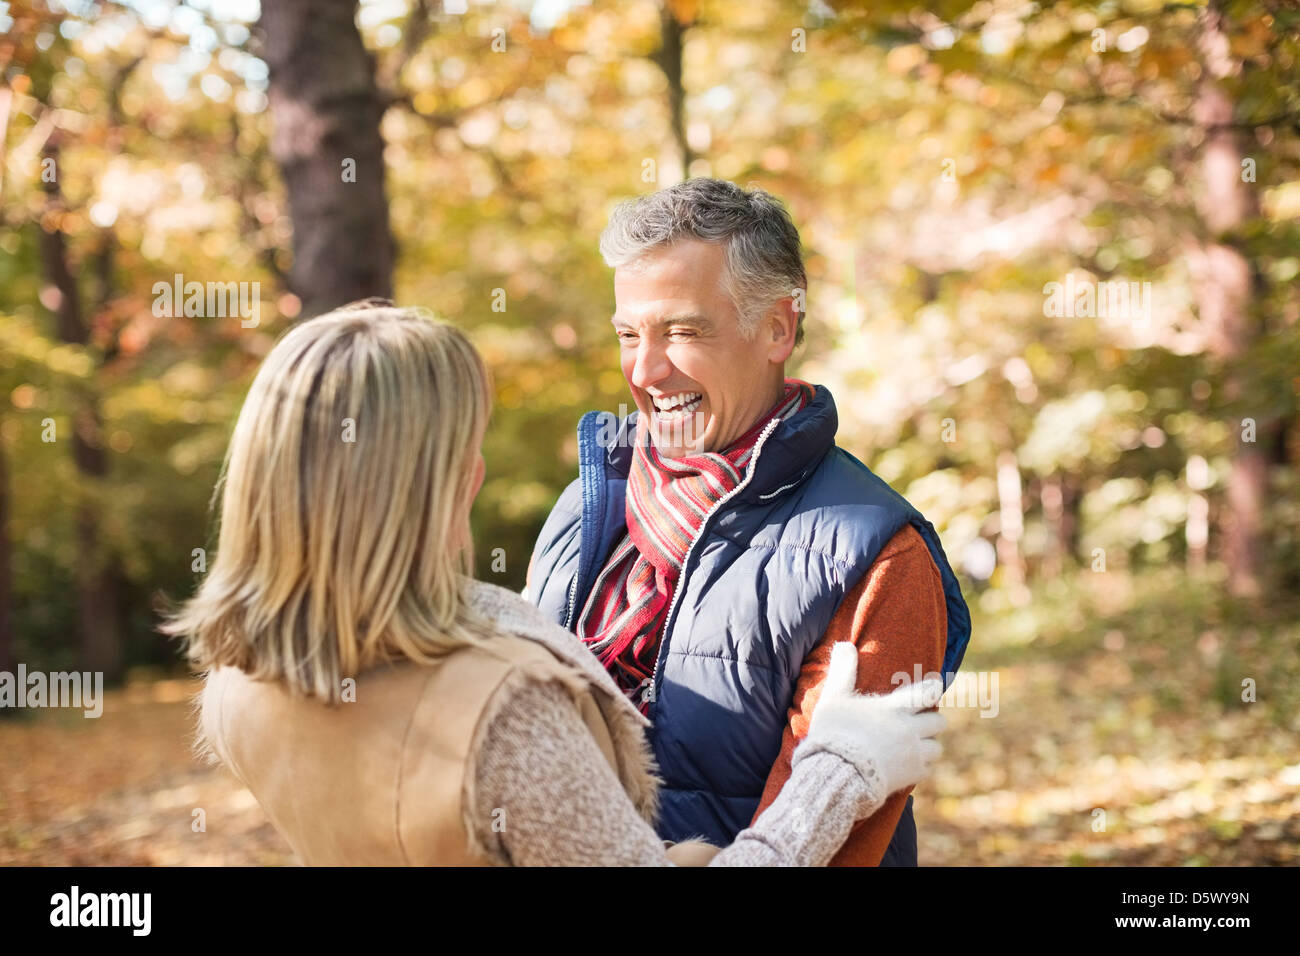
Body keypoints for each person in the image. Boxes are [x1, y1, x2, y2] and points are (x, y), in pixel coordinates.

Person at [163, 302, 946, 866]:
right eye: (464, 446)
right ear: (429, 483)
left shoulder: (241, 683)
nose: (478, 469)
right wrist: (839, 772)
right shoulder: (501, 715)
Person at [526, 179, 973, 864]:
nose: (644, 370)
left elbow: (835, 844)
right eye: (628, 335)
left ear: (778, 329)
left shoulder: (879, 553)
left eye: (682, 331)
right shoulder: (584, 508)